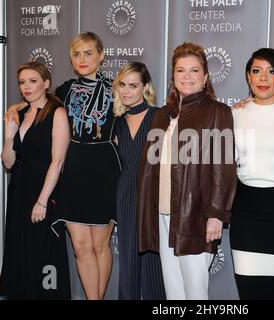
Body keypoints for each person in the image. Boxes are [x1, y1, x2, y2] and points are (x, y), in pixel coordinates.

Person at [7, 32, 120, 300]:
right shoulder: (66, 89)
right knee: (81, 247)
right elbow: (37, 100)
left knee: (100, 246)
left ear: (101, 55)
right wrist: (16, 105)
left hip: (104, 171)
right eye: (76, 54)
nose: (81, 59)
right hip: (71, 172)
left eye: (88, 53)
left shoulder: (117, 88)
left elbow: (142, 110)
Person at [136, 42, 237, 300]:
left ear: (205, 77)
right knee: (173, 291)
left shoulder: (218, 112)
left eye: (194, 70)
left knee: (195, 292)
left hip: (196, 216)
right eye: (181, 70)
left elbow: (223, 168)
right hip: (163, 214)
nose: (187, 76)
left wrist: (216, 214)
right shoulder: (162, 115)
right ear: (173, 76)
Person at [230, 48, 274, 300]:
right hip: (245, 215)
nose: (263, 78)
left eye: (271, 72)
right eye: (256, 71)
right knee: (248, 294)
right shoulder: (233, 115)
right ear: (248, 77)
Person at [0, 61, 71, 299]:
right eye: (22, 82)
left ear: (46, 83)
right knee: (20, 247)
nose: (26, 87)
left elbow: (57, 162)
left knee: (43, 249)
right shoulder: (17, 113)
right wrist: (8, 138)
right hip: (19, 187)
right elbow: (8, 162)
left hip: (44, 190)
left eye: (33, 81)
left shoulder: (57, 112)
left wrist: (42, 201)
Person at [112, 62, 166, 300]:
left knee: (153, 263)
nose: (126, 91)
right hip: (125, 194)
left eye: (133, 85)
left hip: (153, 195)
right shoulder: (116, 121)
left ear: (145, 87)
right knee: (128, 262)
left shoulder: (160, 116)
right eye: (122, 85)